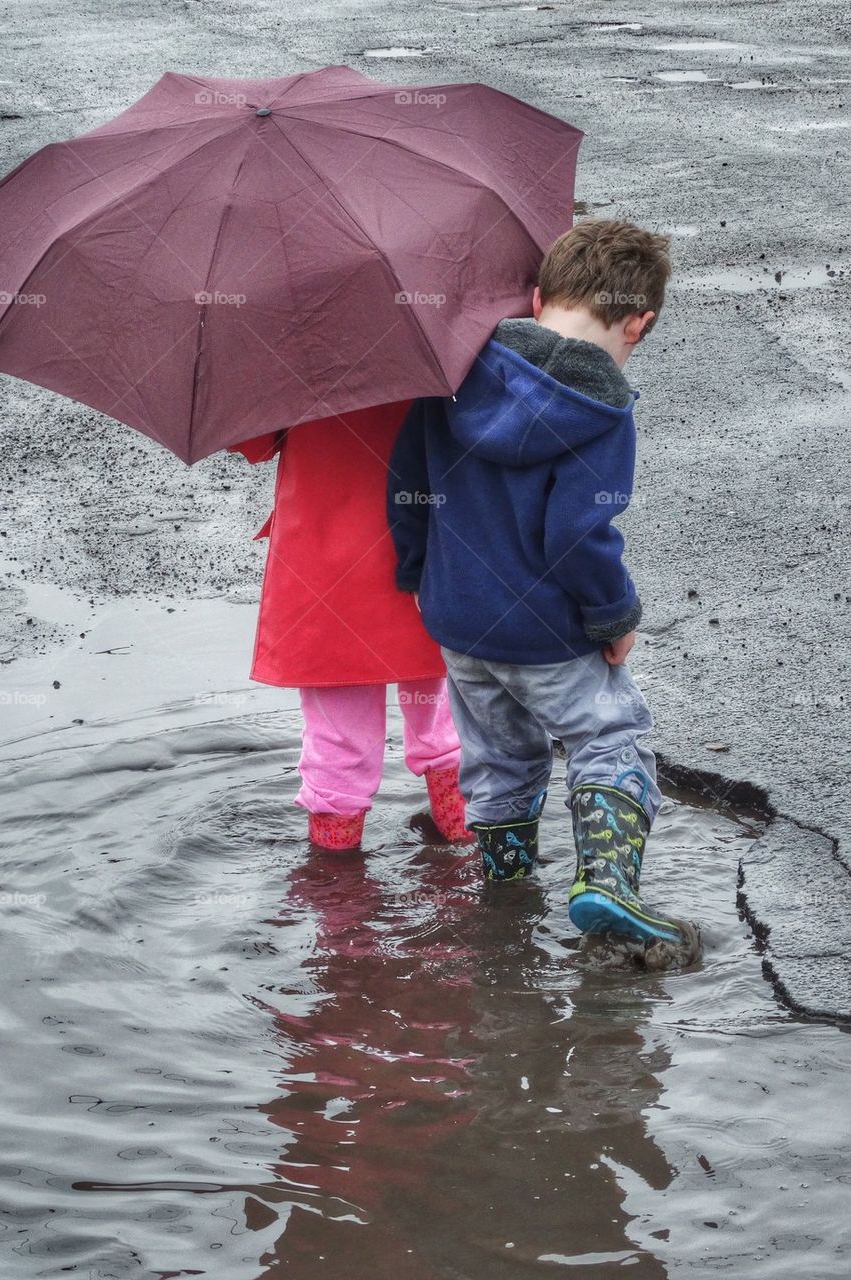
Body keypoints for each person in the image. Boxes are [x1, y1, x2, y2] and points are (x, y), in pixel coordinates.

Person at [387, 219, 691, 946]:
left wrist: (418, 573)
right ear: (637, 324)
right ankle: (607, 884)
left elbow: (404, 481)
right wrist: (613, 616)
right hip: (547, 632)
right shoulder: (601, 410)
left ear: (536, 296)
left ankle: (505, 891)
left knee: (500, 757)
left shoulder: (453, 372)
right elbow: (578, 536)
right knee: (611, 735)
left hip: (459, 623)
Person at [229, 402, 467, 851]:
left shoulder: (292, 346)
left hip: (326, 570)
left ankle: (338, 900)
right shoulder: (452, 337)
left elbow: (251, 436)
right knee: (451, 725)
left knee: (336, 744)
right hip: (432, 552)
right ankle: (466, 871)